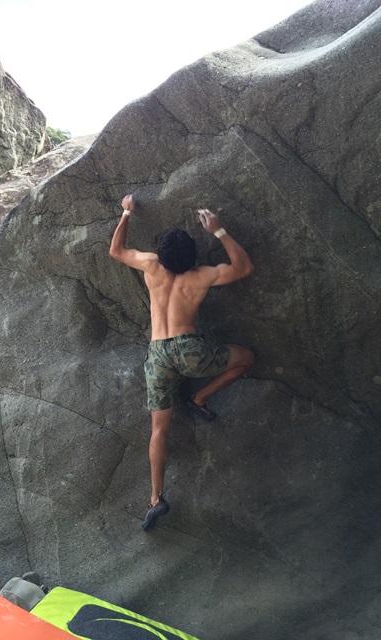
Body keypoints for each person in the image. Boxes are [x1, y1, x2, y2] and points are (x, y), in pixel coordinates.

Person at [109, 194, 255, 530]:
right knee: (246, 359)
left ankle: (155, 498)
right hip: (191, 351)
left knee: (159, 430)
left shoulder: (151, 265)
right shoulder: (202, 274)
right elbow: (243, 267)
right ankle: (200, 398)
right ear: (193, 256)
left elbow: (116, 251)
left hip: (158, 353)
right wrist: (218, 231)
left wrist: (126, 213)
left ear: (161, 254)